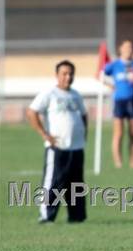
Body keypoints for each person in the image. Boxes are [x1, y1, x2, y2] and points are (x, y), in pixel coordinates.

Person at [27, 60, 88, 223]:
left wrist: (84, 134)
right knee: (53, 182)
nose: (68, 77)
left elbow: (83, 115)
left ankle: (77, 217)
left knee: (76, 185)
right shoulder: (49, 94)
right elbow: (32, 112)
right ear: (57, 75)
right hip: (57, 147)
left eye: (70, 74)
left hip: (76, 148)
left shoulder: (76, 95)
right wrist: (43, 133)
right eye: (64, 74)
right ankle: (47, 215)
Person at [104, 40, 133, 168]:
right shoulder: (115, 65)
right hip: (119, 101)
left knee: (132, 133)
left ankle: (132, 162)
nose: (129, 49)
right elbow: (101, 74)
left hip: (132, 100)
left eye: (131, 47)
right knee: (119, 133)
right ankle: (118, 162)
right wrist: (110, 86)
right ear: (120, 49)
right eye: (126, 47)